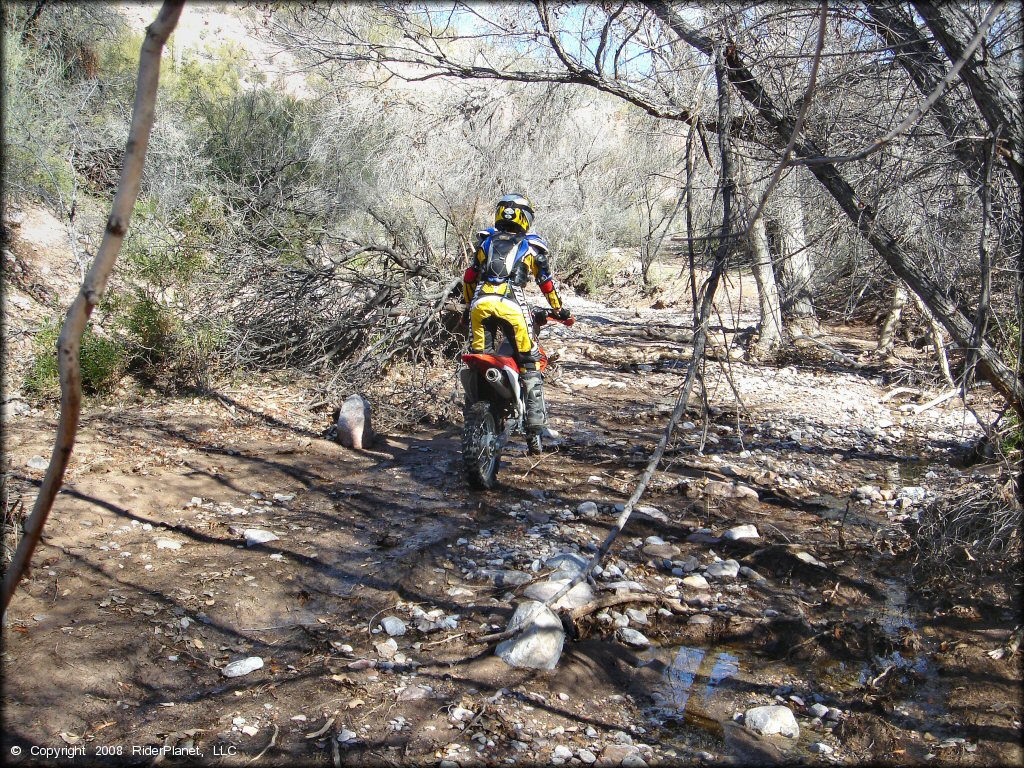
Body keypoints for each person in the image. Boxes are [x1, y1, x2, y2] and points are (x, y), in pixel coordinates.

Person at [461, 193, 571, 435]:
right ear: (525, 217)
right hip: (512, 305)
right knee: (530, 362)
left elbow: (469, 277)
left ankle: (474, 417)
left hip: (480, 305)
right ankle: (537, 424)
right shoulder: (531, 246)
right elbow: (546, 283)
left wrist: (467, 305)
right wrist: (558, 309)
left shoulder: (485, 242)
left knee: (478, 360)